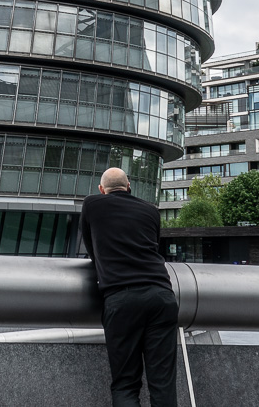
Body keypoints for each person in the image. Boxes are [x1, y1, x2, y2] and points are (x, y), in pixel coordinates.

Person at [80, 167, 180, 407]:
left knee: (126, 384)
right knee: (163, 384)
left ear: (101, 190)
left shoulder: (92, 205)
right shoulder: (151, 211)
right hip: (162, 296)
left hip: (121, 298)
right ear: (129, 187)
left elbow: (92, 249)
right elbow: (153, 245)